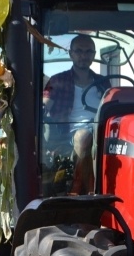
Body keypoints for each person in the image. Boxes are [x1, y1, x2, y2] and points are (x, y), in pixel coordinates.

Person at [42, 34, 110, 194]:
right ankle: (82, 188)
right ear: (71, 54)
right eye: (79, 51)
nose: (83, 56)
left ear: (94, 55)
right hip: (69, 133)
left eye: (88, 52)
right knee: (83, 136)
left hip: (102, 130)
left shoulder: (103, 82)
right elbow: (45, 105)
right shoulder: (58, 80)